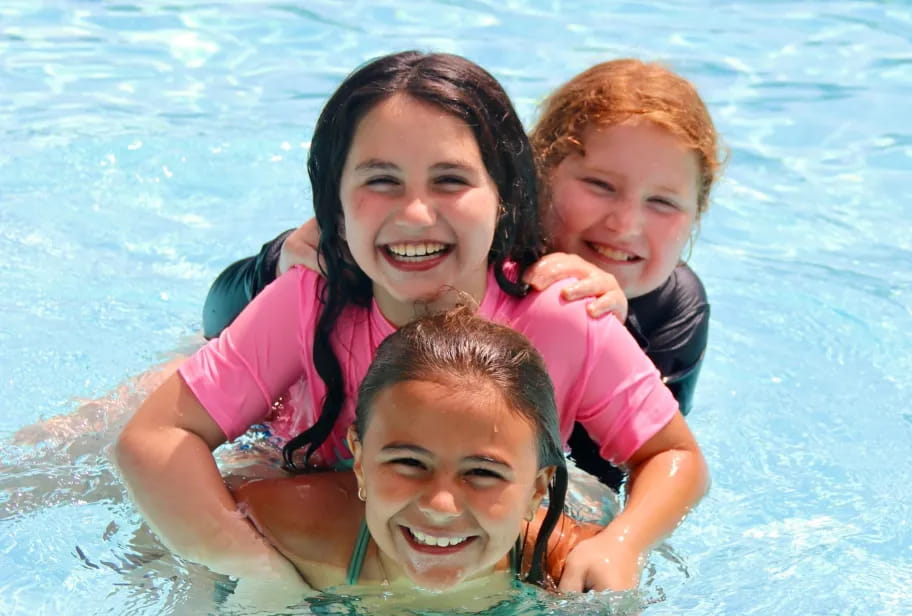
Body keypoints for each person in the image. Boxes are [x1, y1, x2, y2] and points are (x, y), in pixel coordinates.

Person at [115, 50, 709, 594]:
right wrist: (258, 572)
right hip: (297, 479)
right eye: (381, 181)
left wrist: (623, 542)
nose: (417, 214)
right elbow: (152, 438)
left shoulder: (563, 317)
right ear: (336, 204)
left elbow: (673, 455)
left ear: (504, 195)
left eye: (451, 181)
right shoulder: (310, 300)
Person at [202, 58, 723, 488]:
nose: (625, 224)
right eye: (599, 186)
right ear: (532, 177)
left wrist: (612, 331)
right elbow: (223, 317)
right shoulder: (419, 244)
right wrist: (279, 259)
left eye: (663, 202)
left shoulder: (664, 308)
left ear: (696, 215)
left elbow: (631, 466)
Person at [228, 307, 602, 598]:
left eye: (482, 472)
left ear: (537, 489)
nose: (440, 505)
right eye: (409, 463)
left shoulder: (562, 561)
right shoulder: (286, 529)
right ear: (360, 461)